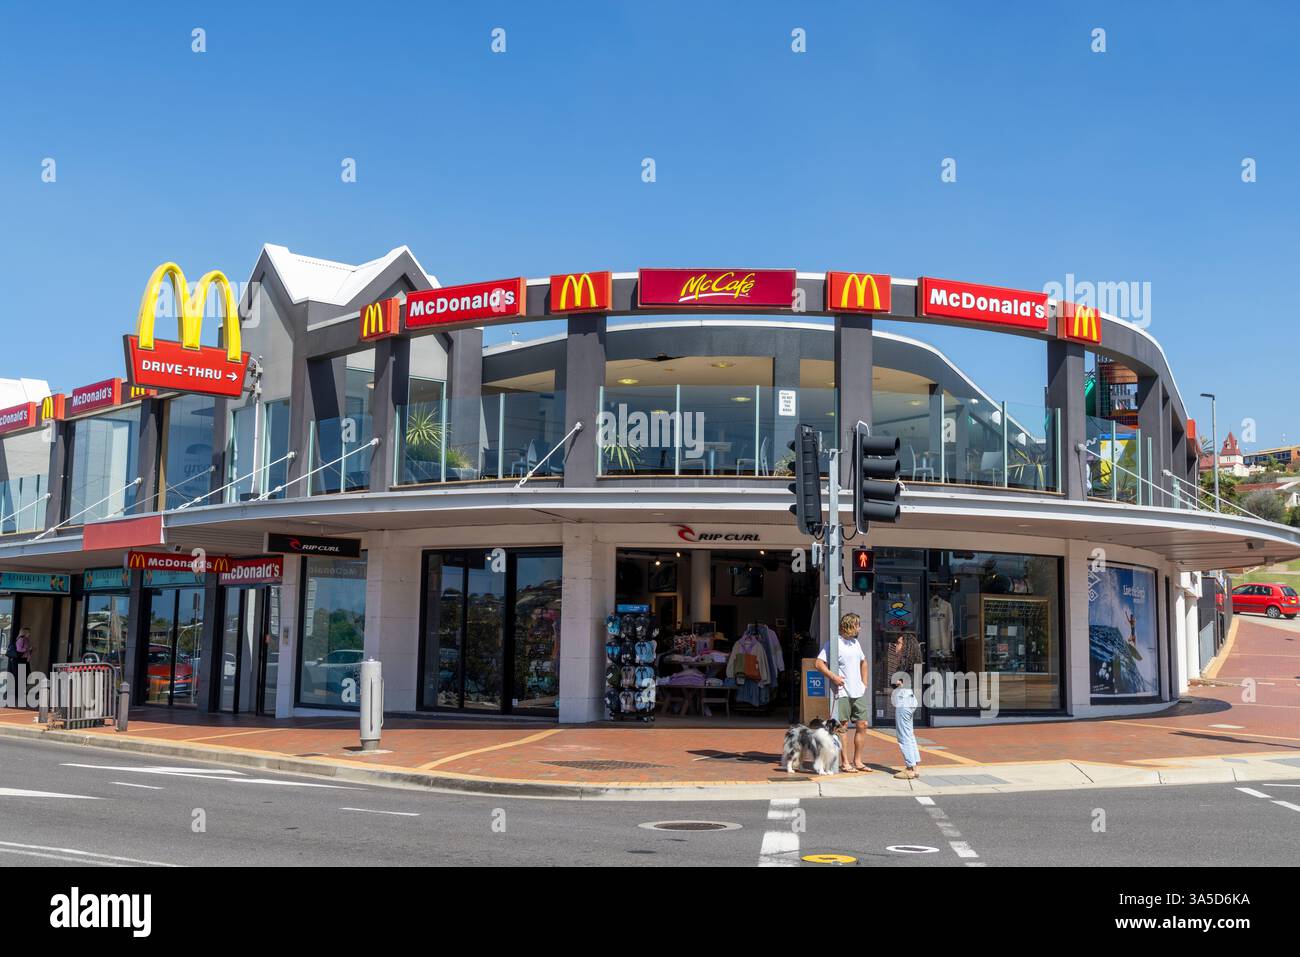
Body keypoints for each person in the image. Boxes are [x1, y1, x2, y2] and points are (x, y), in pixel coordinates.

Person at [814, 612, 871, 773]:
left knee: (862, 724)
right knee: (842, 726)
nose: (859, 627)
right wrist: (833, 677)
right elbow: (818, 663)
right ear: (850, 625)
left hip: (857, 691)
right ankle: (845, 762)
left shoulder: (855, 643)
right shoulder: (833, 643)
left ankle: (858, 761)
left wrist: (864, 683)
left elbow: (864, 662)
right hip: (841, 691)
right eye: (858, 624)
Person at [888, 632, 924, 779]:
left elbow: (895, 682)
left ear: (906, 646)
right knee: (909, 734)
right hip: (910, 699)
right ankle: (914, 766)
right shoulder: (913, 663)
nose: (896, 645)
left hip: (904, 699)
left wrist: (897, 682)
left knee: (903, 735)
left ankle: (910, 768)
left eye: (899, 643)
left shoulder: (904, 663)